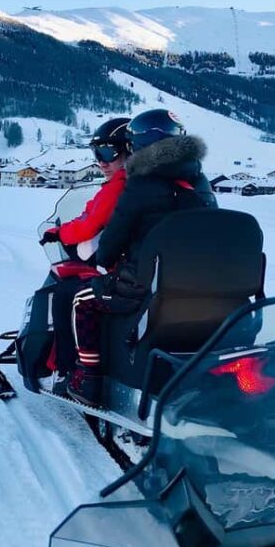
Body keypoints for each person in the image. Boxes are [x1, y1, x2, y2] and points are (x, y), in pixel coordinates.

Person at [68, 109, 217, 406]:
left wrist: (100, 257)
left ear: (138, 146)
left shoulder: (140, 185)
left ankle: (89, 378)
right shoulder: (201, 183)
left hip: (145, 286)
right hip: (202, 285)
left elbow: (111, 244)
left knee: (82, 301)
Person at [38, 118, 130, 382]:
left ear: (130, 151)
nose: (101, 161)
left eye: (108, 153)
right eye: (97, 153)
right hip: (150, 269)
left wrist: (59, 233)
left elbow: (89, 224)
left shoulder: (121, 185)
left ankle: (77, 372)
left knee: (68, 294)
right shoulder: (175, 187)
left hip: (124, 273)